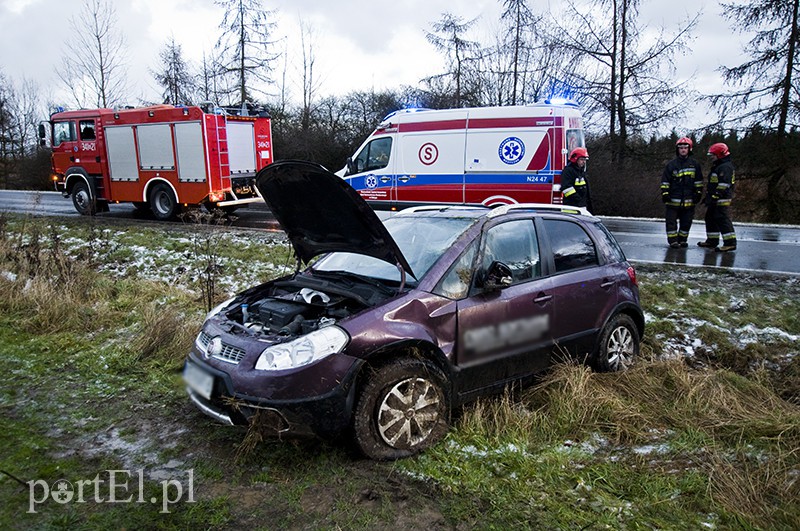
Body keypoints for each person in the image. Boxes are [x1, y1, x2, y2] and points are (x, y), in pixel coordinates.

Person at [660, 137, 704, 248]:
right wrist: (665, 193)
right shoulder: (671, 165)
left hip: (689, 200)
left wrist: (698, 193)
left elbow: (699, 181)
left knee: (686, 222)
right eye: (681, 148)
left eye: (685, 148)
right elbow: (665, 181)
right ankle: (673, 241)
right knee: (671, 222)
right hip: (673, 200)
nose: (683, 150)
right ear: (677, 149)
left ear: (690, 149)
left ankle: (683, 240)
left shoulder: (695, 165)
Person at [698, 142, 736, 252]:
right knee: (710, 218)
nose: (712, 158)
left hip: (722, 198)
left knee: (722, 219)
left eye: (713, 155)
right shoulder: (719, 166)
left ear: (720, 155)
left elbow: (724, 184)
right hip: (715, 197)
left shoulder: (725, 167)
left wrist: (717, 195)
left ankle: (730, 243)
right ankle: (712, 241)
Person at [562, 147, 592, 211]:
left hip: (581, 206)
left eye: (585, 160)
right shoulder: (568, 171)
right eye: (582, 159)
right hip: (571, 207)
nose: (584, 162)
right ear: (575, 159)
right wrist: (578, 200)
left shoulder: (581, 171)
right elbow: (566, 188)